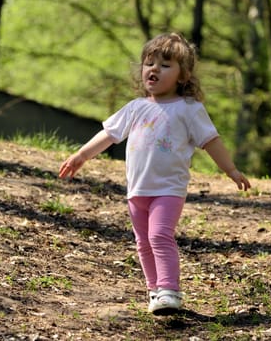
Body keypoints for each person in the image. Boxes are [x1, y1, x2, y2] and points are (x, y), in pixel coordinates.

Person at [59, 32, 250, 315]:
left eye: (164, 65)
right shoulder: (136, 108)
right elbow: (109, 134)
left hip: (168, 189)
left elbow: (211, 141)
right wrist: (81, 155)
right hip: (137, 190)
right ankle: (155, 291)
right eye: (149, 63)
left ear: (183, 75)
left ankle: (170, 290)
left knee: (160, 235)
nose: (154, 69)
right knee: (143, 242)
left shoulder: (188, 109)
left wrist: (231, 170)